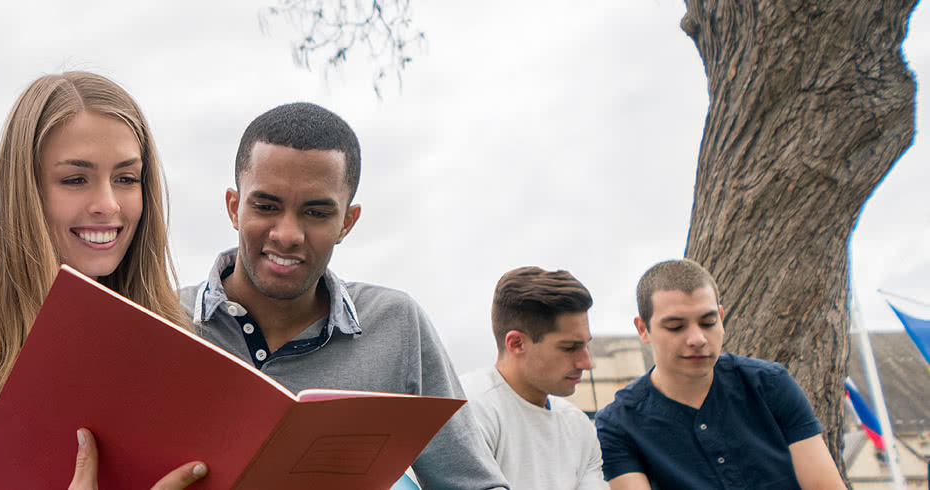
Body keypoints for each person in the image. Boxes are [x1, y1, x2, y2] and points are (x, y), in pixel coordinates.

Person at [178, 101, 509, 489]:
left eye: (316, 213)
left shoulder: (397, 325)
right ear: (234, 208)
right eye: (266, 206)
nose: (287, 234)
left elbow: (476, 484)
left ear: (347, 223)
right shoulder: (163, 317)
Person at [0, 71, 204, 490]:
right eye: (75, 180)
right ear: (26, 190)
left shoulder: (177, 329)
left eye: (127, 178)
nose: (107, 204)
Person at [595, 259, 847, 490]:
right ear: (643, 329)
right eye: (676, 326)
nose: (697, 339)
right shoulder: (619, 424)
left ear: (722, 318)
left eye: (708, 322)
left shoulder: (769, 384)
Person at [459, 267, 607, 489]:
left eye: (586, 345)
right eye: (569, 348)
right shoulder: (466, 411)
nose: (587, 363)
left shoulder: (578, 425)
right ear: (517, 344)